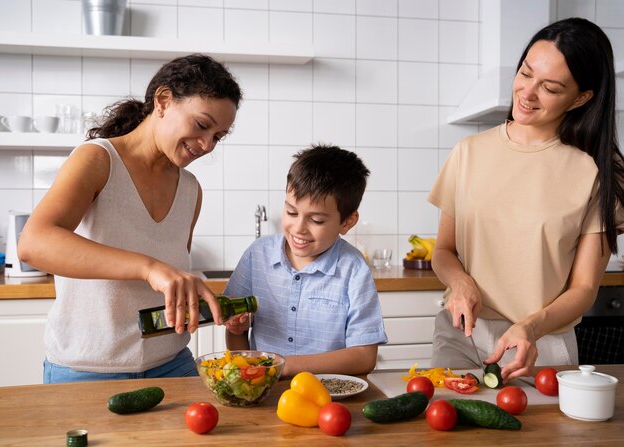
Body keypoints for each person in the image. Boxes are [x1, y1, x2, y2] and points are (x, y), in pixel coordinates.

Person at [17, 54, 242, 383]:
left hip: (173, 364)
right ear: (163, 101)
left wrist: (208, 306)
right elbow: (34, 243)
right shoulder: (98, 159)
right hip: (87, 368)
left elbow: (166, 287)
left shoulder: (191, 190)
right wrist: (149, 268)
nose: (207, 145)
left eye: (218, 136)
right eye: (202, 125)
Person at [427, 17, 624, 382]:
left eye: (550, 87)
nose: (527, 93)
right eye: (525, 73)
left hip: (541, 345)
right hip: (460, 334)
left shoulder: (599, 170)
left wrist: (530, 328)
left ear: (581, 97)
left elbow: (583, 289)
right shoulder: (468, 152)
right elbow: (443, 251)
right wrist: (461, 283)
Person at [224, 144, 388, 377]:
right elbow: (235, 332)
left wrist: (284, 366)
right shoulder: (257, 254)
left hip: (328, 395)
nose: (298, 229)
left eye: (317, 220)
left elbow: (364, 356)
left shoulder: (353, 269)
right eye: (291, 213)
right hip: (263, 390)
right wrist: (237, 329)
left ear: (347, 222)